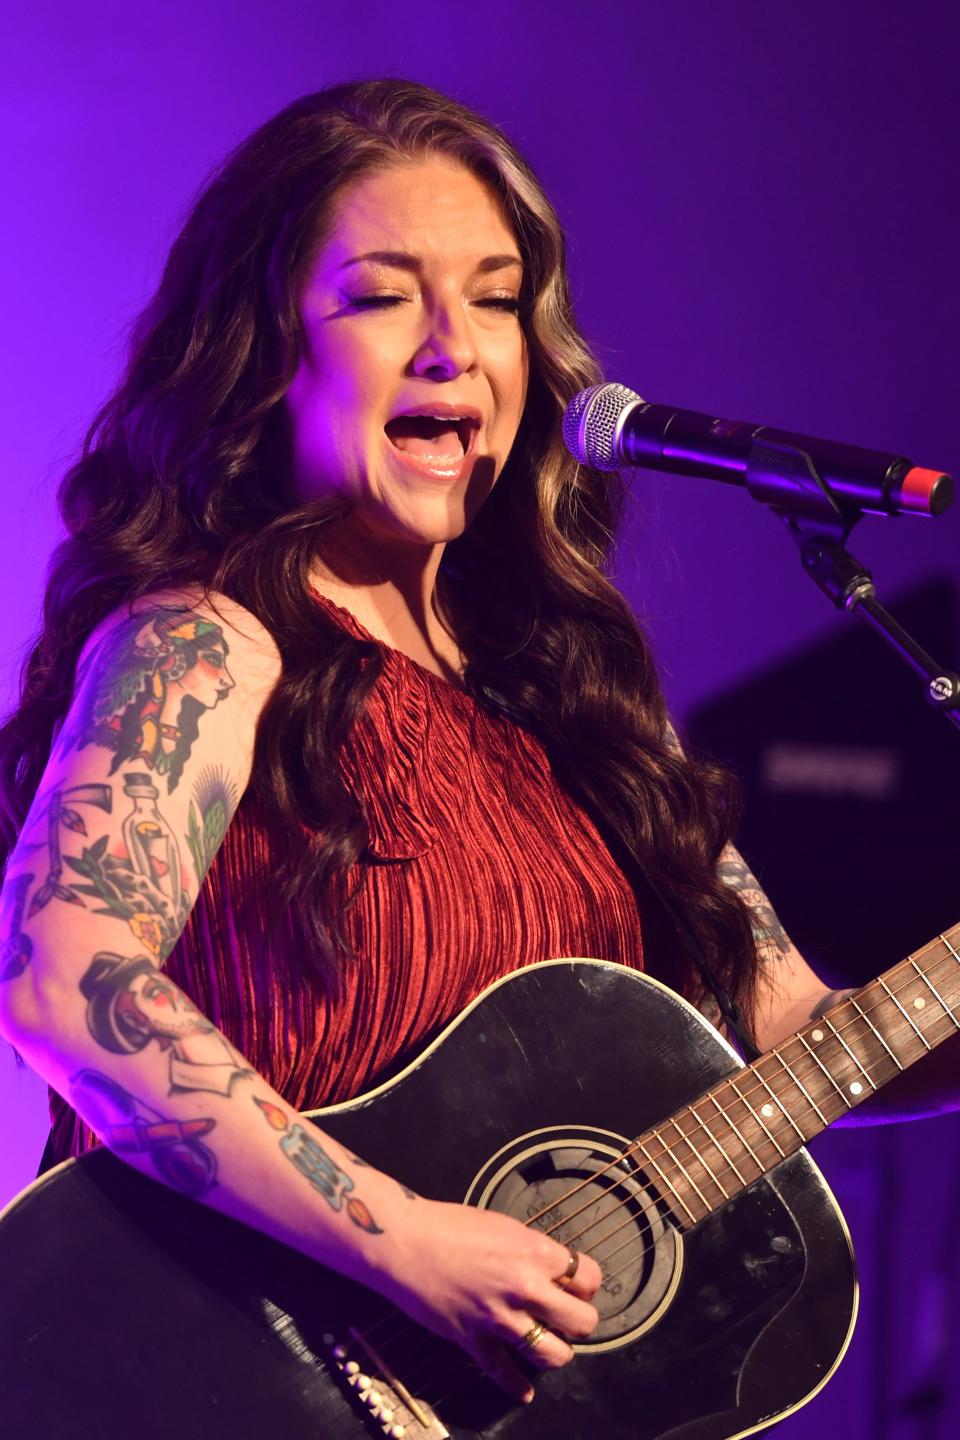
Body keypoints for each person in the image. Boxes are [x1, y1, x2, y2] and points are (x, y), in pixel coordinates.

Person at [0, 79, 956, 1411]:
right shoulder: (205, 644)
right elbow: (66, 980)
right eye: (384, 296)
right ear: (268, 358)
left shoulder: (584, 702)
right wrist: (404, 1241)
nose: (455, 345)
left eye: (498, 298)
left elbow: (802, 1030)